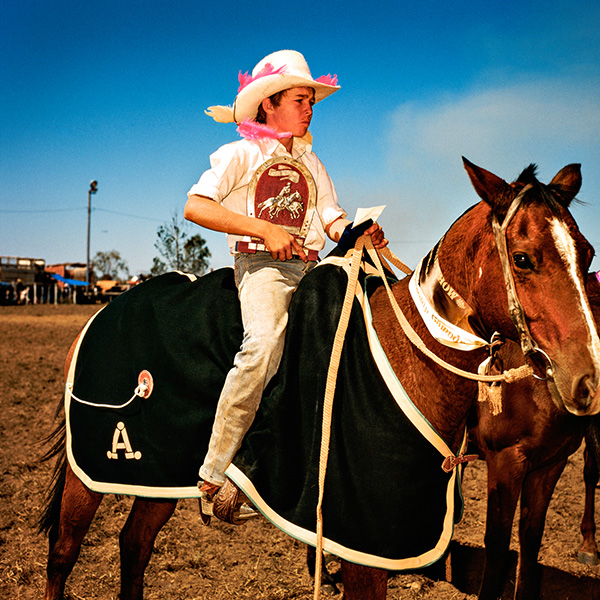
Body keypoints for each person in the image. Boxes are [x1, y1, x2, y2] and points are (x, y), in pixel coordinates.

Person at [184, 50, 387, 521]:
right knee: (265, 342)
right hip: (261, 266)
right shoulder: (240, 153)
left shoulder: (313, 163)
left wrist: (359, 232)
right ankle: (215, 471)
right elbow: (196, 206)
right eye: (301, 99)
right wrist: (262, 228)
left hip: (313, 267)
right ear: (269, 104)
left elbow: (332, 221)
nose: (310, 108)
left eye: (312, 101)